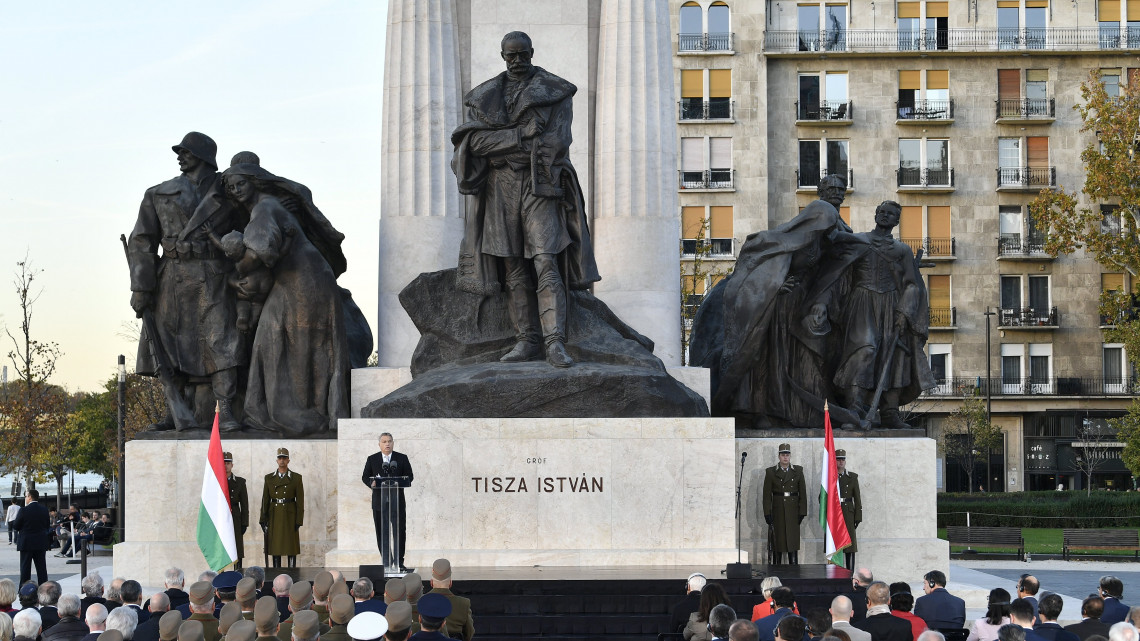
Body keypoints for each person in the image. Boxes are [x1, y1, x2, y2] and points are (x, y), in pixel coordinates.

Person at [450, 30, 601, 368]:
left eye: (522, 54)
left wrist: (503, 146)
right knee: (513, 266)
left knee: (545, 260)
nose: (516, 61)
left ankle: (555, 343)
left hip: (540, 185)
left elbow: (557, 141)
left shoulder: (555, 92)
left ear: (532, 52)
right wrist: (519, 137)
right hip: (500, 189)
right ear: (502, 56)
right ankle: (526, 341)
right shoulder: (484, 96)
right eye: (510, 55)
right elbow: (473, 145)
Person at [700, 176, 850, 424]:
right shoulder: (819, 214)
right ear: (820, 192)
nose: (836, 192)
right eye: (831, 188)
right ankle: (761, 411)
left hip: (803, 303)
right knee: (770, 358)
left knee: (794, 359)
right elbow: (774, 258)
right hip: (779, 302)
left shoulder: (835, 228)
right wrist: (775, 284)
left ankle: (800, 411)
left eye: (840, 189)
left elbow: (847, 248)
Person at [218, 163, 350, 434]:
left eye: (240, 183)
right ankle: (306, 409)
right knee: (286, 338)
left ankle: (292, 413)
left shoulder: (264, 208)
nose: (236, 190)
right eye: (231, 187)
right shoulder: (271, 206)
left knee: (279, 338)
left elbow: (261, 253)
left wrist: (231, 274)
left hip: (304, 281)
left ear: (255, 181)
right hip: (305, 278)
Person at [127, 132, 244, 432]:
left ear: (204, 157)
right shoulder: (159, 194)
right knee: (169, 345)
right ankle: (174, 412)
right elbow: (141, 242)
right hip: (172, 280)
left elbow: (250, 228)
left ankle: (227, 410)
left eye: (187, 152)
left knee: (222, 344)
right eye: (180, 152)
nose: (180, 156)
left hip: (215, 276)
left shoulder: (229, 192)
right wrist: (141, 288)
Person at [809, 200, 935, 428]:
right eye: (882, 212)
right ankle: (855, 410)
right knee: (863, 350)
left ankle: (890, 412)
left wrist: (904, 312)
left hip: (891, 305)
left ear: (897, 221)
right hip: (861, 302)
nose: (885, 216)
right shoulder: (859, 240)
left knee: (894, 354)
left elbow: (911, 284)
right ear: (875, 215)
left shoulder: (902, 250)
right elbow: (833, 258)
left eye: (891, 214)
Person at [362, 433, 414, 571]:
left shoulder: (401, 458)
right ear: (379, 444)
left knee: (399, 532)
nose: (387, 444)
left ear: (393, 443)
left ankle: (399, 562)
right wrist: (371, 482)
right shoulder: (372, 459)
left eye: (390, 441)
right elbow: (365, 476)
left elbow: (410, 476)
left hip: (397, 502)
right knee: (381, 532)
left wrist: (401, 480)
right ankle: (386, 562)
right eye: (384, 441)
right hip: (379, 503)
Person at [762, 444, 807, 564]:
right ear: (779, 456)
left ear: (790, 456)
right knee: (778, 543)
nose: (785, 457)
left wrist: (802, 512)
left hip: (793, 511)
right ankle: (777, 571)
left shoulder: (798, 471)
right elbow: (766, 496)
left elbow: (803, 493)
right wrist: (767, 513)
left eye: (787, 455)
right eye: (783, 455)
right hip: (778, 510)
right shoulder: (771, 472)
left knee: (792, 544)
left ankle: (794, 571)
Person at [260, 449, 304, 568]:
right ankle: (275, 573)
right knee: (276, 548)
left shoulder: (296, 478)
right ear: (276, 460)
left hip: (290, 515)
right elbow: (265, 499)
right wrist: (263, 519)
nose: (282, 460)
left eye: (284, 458)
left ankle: (293, 574)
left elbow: (300, 501)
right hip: (275, 515)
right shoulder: (269, 478)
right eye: (280, 458)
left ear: (288, 460)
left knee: (291, 547)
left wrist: (299, 520)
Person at [427, 560, 473, 641]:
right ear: (450, 583)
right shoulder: (463, 604)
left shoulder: (422, 602)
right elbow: (469, 633)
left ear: (431, 582)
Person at [12, 489, 50, 586]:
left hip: (26, 543)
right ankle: (44, 590)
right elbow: (47, 526)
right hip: (40, 543)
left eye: (26, 496)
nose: (25, 498)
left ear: (30, 497)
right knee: (41, 569)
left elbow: (16, 526)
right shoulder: (44, 509)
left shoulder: (23, 510)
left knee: (25, 569)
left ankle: (24, 591)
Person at [220, 453, 250, 571]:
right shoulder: (216, 481)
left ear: (232, 465)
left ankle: (238, 574)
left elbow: (244, 504)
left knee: (237, 549)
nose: (226, 466)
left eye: (228, 463)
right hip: (221, 518)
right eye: (223, 463)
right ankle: (221, 576)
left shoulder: (240, 482)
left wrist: (244, 523)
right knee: (221, 549)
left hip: (235, 518)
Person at [834, 450, 862, 571]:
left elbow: (857, 498)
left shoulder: (852, 477)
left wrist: (858, 517)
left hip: (848, 514)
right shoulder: (830, 477)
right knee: (835, 546)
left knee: (849, 546)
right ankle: (836, 573)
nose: (841, 462)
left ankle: (850, 574)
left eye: (842, 460)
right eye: (838, 459)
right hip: (835, 513)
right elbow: (822, 497)